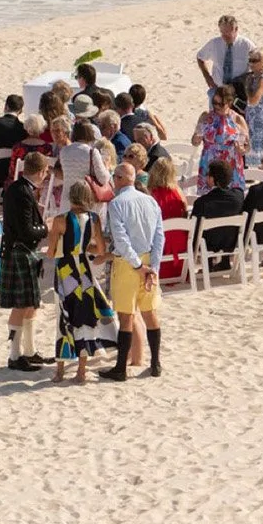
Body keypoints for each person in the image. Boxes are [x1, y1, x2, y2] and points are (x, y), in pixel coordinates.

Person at [47, 181, 118, 384]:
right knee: (85, 316)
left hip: (66, 272)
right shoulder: (93, 219)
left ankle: (60, 371)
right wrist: (86, 248)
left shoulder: (60, 220)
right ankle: (81, 371)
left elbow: (51, 253)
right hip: (84, 271)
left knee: (64, 318)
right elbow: (101, 250)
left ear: (70, 197)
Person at [101, 162, 164, 380]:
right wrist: (152, 267)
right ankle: (155, 362)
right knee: (149, 313)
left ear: (119, 179)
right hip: (147, 257)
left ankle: (121, 368)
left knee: (126, 315)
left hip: (129, 263)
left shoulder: (117, 203)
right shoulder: (150, 201)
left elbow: (121, 239)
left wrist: (137, 265)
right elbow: (159, 237)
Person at [0, 153, 54, 371]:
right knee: (21, 305)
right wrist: (47, 227)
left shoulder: (18, 187)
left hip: (21, 251)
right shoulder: (22, 192)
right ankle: (15, 356)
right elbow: (27, 230)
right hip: (20, 251)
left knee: (31, 303)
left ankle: (29, 351)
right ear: (40, 172)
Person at [189, 157, 246, 273]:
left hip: (208, 245)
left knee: (202, 231)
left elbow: (193, 227)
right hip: (232, 242)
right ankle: (224, 261)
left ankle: (208, 264)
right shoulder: (238, 196)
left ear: (212, 179)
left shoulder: (203, 202)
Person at [192, 86, 250, 189]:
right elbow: (194, 142)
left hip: (231, 163)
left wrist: (241, 150)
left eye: (221, 104)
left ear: (230, 102)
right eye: (214, 103)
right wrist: (196, 138)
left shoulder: (237, 119)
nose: (217, 107)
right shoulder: (206, 117)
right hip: (209, 163)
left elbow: (247, 147)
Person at [145, 155, 190, 284]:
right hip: (179, 241)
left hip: (161, 242)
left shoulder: (151, 194)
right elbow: (185, 213)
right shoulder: (178, 191)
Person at [196, 14, 253, 99]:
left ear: (236, 29)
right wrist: (207, 77)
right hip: (218, 90)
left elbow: (259, 62)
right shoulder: (214, 43)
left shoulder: (246, 45)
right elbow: (200, 57)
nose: (225, 36)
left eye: (227, 32)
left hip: (239, 92)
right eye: (222, 32)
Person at [57, 118, 112, 203]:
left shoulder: (64, 151)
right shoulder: (92, 152)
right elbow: (103, 179)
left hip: (67, 198)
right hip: (85, 200)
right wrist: (107, 167)